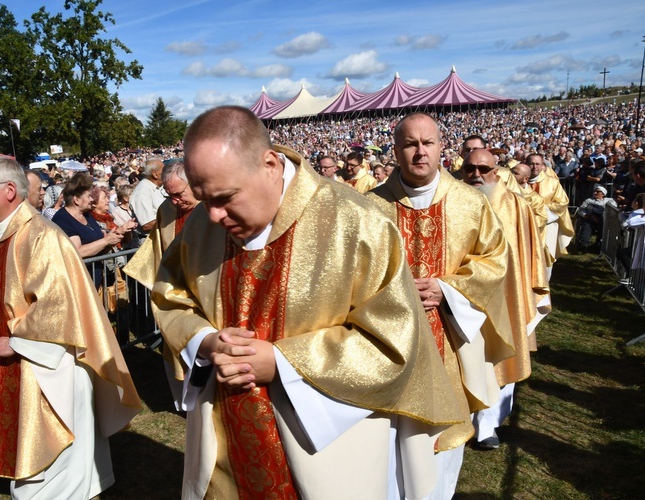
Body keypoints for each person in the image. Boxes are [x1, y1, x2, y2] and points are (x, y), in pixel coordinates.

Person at [153, 106, 462, 499]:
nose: (213, 215)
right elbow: (170, 293)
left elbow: (393, 342)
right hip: (228, 435)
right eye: (203, 198)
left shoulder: (356, 223)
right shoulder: (202, 224)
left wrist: (283, 363)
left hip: (327, 451)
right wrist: (204, 342)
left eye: (226, 197)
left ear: (268, 164)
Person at [0, 156, 140, 498]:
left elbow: (59, 303)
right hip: (6, 365)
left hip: (50, 367)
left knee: (53, 471)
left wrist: (15, 342)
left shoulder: (42, 236)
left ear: (9, 190)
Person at [367, 112, 514, 498]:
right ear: (395, 150)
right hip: (386, 348)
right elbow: (348, 272)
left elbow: (495, 260)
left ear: (441, 148)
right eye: (410, 144)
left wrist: (447, 290)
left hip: (448, 343)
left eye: (427, 143)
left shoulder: (470, 203)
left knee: (440, 451)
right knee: (384, 451)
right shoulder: (367, 207)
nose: (419, 152)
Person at [461, 149, 550, 449]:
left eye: (483, 169)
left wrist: (531, 287)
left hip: (505, 294)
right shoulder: (452, 201)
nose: (476, 175)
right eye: (469, 168)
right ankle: (463, 417)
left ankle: (488, 424)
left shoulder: (515, 206)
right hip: (460, 294)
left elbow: (529, 250)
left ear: (496, 171)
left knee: (502, 355)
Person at [124, 159, 198, 291]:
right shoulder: (166, 209)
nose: (175, 202)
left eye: (178, 195)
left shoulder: (210, 206)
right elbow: (156, 247)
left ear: (192, 183)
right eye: (169, 195)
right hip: (175, 283)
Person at [51, 173, 132, 289]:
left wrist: (112, 240)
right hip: (77, 285)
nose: (91, 199)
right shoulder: (63, 219)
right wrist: (105, 241)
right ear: (76, 200)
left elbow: (98, 245)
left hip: (95, 281)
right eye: (88, 196)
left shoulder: (87, 215)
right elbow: (77, 251)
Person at [527, 153, 574, 262]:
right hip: (524, 224)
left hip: (548, 225)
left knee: (545, 258)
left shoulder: (552, 182)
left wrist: (540, 213)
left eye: (537, 164)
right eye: (531, 164)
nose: (535, 167)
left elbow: (562, 202)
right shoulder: (517, 181)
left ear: (542, 165)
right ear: (526, 164)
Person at [130, 156, 166, 242]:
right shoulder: (143, 191)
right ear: (155, 174)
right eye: (164, 170)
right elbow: (147, 224)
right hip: (149, 242)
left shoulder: (158, 187)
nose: (167, 173)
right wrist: (173, 218)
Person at [574, 184, 616, 252]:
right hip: (589, 219)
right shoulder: (589, 200)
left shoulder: (609, 201)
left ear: (603, 194)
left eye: (598, 192)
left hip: (602, 220)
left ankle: (599, 244)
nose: (595, 193)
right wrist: (585, 215)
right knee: (586, 227)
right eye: (595, 191)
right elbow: (581, 210)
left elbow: (613, 209)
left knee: (603, 227)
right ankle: (584, 244)